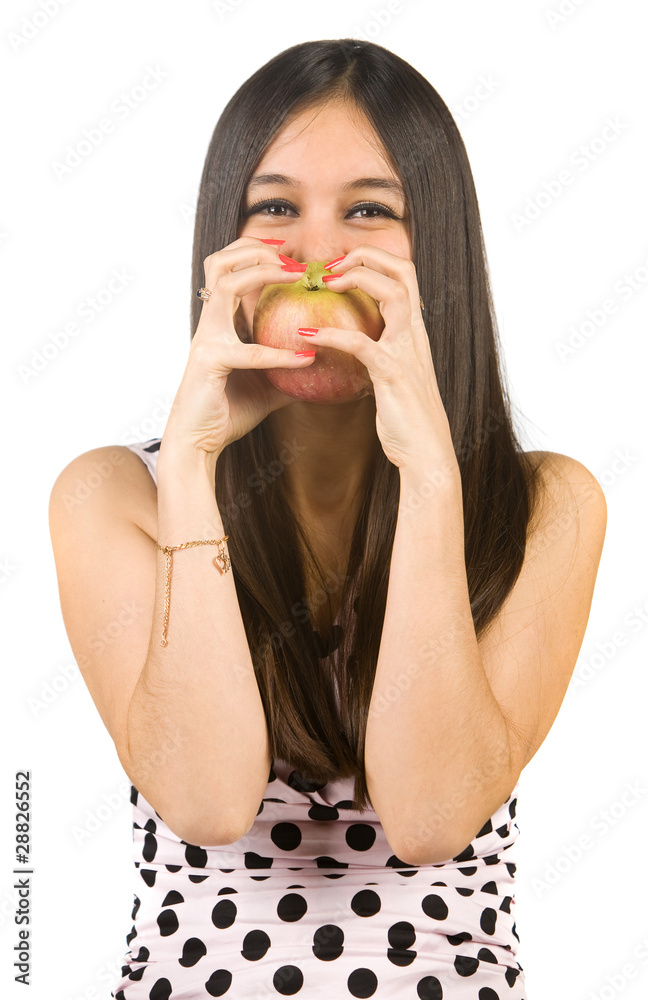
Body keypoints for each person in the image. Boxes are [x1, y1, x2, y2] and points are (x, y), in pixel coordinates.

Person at [48, 38, 606, 1000]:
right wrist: (191, 465)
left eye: (368, 210)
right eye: (275, 207)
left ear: (438, 247)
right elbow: (210, 801)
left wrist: (431, 475)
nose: (313, 254)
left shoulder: (550, 506)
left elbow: (432, 817)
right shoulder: (115, 495)